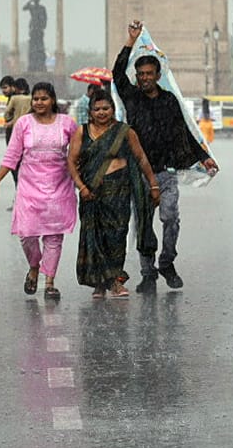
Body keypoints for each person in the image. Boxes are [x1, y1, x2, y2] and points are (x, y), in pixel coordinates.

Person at [112, 20, 219, 293]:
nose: (145, 77)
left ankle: (167, 262)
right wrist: (130, 40)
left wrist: (203, 156)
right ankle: (148, 274)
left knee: (170, 217)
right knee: (144, 225)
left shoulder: (169, 101)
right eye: (141, 74)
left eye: (150, 73)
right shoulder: (131, 98)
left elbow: (182, 132)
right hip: (138, 173)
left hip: (166, 172)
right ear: (136, 77)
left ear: (158, 75)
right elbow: (116, 73)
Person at [0, 82, 79, 300]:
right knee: (27, 234)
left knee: (54, 236)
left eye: (44, 98)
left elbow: (78, 154)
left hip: (59, 187)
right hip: (29, 187)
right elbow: (12, 156)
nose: (39, 102)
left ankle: (49, 282)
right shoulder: (23, 123)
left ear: (53, 100)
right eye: (35, 99)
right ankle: (34, 266)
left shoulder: (67, 124)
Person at [68, 93, 158, 298]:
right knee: (94, 237)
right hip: (91, 192)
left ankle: (116, 281)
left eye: (106, 108)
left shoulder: (124, 132)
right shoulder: (82, 132)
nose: (101, 113)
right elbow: (71, 162)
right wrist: (81, 187)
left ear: (113, 109)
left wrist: (153, 185)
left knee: (117, 236)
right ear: (90, 111)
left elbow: (141, 157)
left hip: (119, 190)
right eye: (97, 109)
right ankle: (99, 284)